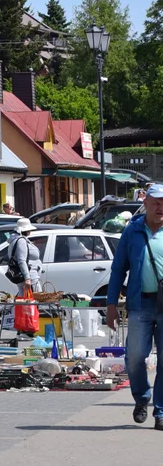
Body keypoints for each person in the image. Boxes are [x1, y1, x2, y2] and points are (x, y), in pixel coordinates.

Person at [107, 183, 163, 429]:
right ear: (147, 203)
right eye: (156, 202)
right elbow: (118, 269)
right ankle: (142, 398)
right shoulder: (133, 231)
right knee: (135, 357)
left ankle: (160, 412)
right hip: (140, 303)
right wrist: (111, 304)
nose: (160, 207)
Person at [7, 218, 42, 296]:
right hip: (29, 277)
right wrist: (27, 278)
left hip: (25, 276)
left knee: (24, 301)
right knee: (33, 301)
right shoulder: (21, 241)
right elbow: (21, 260)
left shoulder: (15, 240)